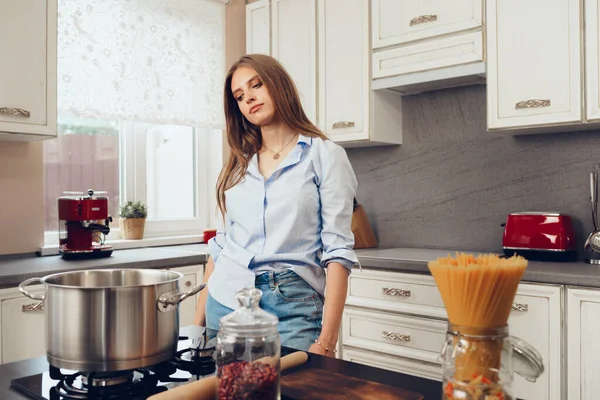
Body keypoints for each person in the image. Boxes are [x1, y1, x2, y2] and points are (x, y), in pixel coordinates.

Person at [193, 54, 359, 357]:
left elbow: (338, 253)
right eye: (240, 96)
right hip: (227, 301)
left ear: (279, 85)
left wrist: (326, 342)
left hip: (292, 306)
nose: (249, 98)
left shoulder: (325, 156)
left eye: (256, 85)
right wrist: (196, 325)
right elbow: (221, 246)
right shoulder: (237, 165)